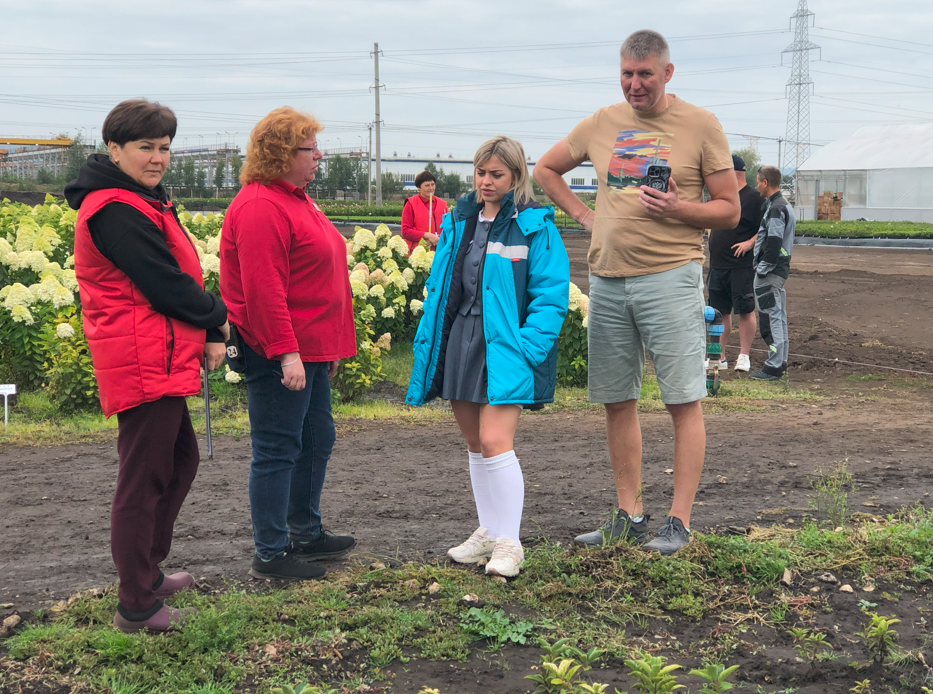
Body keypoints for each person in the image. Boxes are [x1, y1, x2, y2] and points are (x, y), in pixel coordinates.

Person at [534, 30, 739, 555]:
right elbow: (545, 169)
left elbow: (729, 209)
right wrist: (583, 215)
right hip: (607, 280)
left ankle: (679, 523)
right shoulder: (601, 122)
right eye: (626, 73)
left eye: (645, 74)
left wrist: (678, 208)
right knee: (616, 400)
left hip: (669, 276)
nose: (635, 84)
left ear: (667, 73)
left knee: (682, 399)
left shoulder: (700, 124)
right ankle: (629, 516)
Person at [66, 99, 229, 633]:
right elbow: (164, 284)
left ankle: (147, 573)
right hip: (141, 357)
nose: (157, 157)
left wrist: (205, 325)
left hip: (159, 354)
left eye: (164, 147)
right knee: (143, 480)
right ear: (114, 150)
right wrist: (218, 317)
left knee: (179, 462)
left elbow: (172, 277)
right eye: (145, 147)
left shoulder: (140, 199)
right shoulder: (114, 208)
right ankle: (136, 602)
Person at [406, 136, 569, 577]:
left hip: (505, 345)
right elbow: (442, 285)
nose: (486, 181)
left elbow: (550, 296)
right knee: (476, 444)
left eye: (496, 174)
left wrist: (527, 349)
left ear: (516, 176)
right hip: (462, 338)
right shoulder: (459, 221)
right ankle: (489, 532)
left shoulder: (535, 226)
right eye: (481, 172)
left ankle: (510, 544)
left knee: (497, 442)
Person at [220, 107, 357, 582]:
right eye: (309, 148)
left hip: (310, 348)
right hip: (279, 351)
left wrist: (325, 347)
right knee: (278, 448)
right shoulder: (261, 206)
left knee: (316, 438)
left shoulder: (295, 199)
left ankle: (305, 532)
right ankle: (272, 552)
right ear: (281, 153)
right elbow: (263, 290)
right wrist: (287, 352)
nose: (318, 156)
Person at [706, 154, 765, 373]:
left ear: (732, 172)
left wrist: (750, 243)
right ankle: (719, 357)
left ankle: (744, 356)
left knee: (745, 309)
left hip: (740, 266)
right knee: (719, 312)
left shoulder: (754, 198)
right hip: (717, 264)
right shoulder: (720, 198)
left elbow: (766, 227)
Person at [750, 165, 795, 381]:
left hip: (771, 271)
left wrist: (762, 269)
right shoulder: (782, 204)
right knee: (778, 315)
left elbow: (774, 241)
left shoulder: (776, 208)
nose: (756, 185)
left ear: (765, 182)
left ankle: (774, 366)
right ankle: (780, 361)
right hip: (778, 270)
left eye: (758, 181)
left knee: (771, 317)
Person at [401, 170, 448, 253]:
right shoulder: (410, 204)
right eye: (427, 185)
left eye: (432, 184)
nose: (431, 188)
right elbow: (405, 231)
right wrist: (426, 236)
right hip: (417, 252)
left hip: (439, 251)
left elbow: (448, 228)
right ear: (419, 188)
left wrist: (437, 240)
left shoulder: (443, 204)